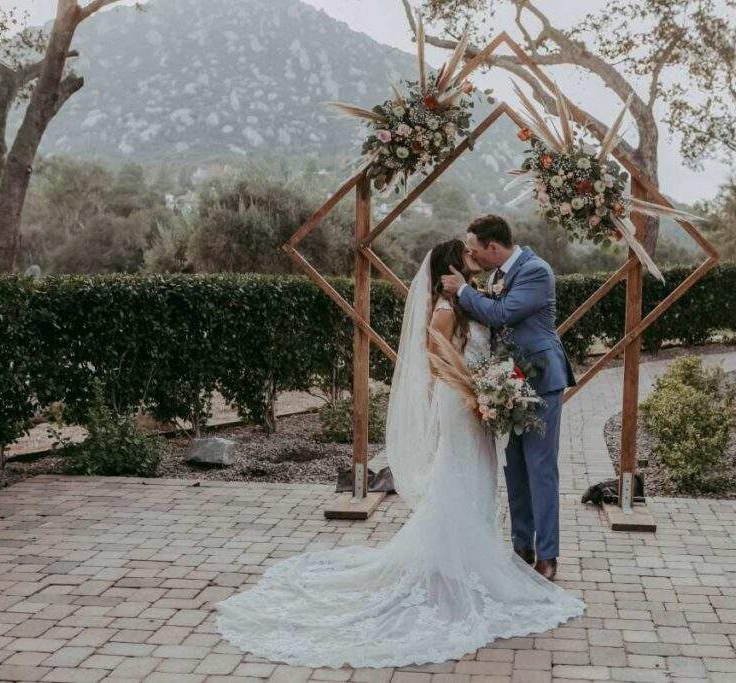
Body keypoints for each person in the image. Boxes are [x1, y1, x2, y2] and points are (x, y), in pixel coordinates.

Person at [216, 238, 584, 669]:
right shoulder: (448, 310)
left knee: (482, 477)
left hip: (477, 402)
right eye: (468, 257)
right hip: (461, 404)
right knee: (460, 476)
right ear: (452, 269)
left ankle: (478, 556)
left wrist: (486, 386)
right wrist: (473, 389)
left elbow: (495, 330)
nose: (475, 260)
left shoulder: (472, 301)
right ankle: (456, 561)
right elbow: (435, 362)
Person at [440, 215, 575, 581]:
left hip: (540, 379)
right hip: (507, 382)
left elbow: (503, 313)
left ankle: (548, 556)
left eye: (474, 249)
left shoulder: (536, 271)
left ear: (493, 248)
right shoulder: (497, 276)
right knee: (514, 469)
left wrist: (464, 292)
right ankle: (521, 547)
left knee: (541, 470)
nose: (472, 255)